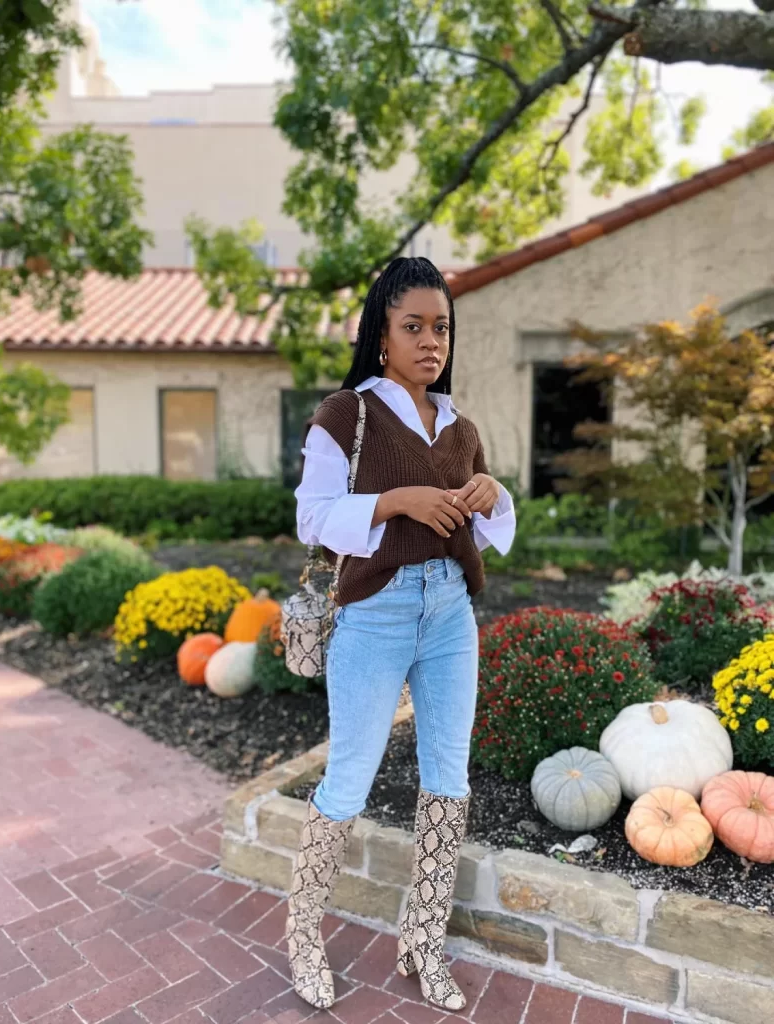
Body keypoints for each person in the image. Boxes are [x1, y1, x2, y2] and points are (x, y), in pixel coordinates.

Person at [287, 257, 516, 1012]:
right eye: (412, 326)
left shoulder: (460, 425)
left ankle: (422, 939)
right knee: (346, 780)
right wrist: (397, 500)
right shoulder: (345, 415)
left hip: (450, 611)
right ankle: (303, 938)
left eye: (440, 327)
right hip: (375, 614)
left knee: (448, 781)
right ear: (380, 335)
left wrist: (488, 494)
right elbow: (312, 518)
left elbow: (477, 536)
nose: (429, 341)